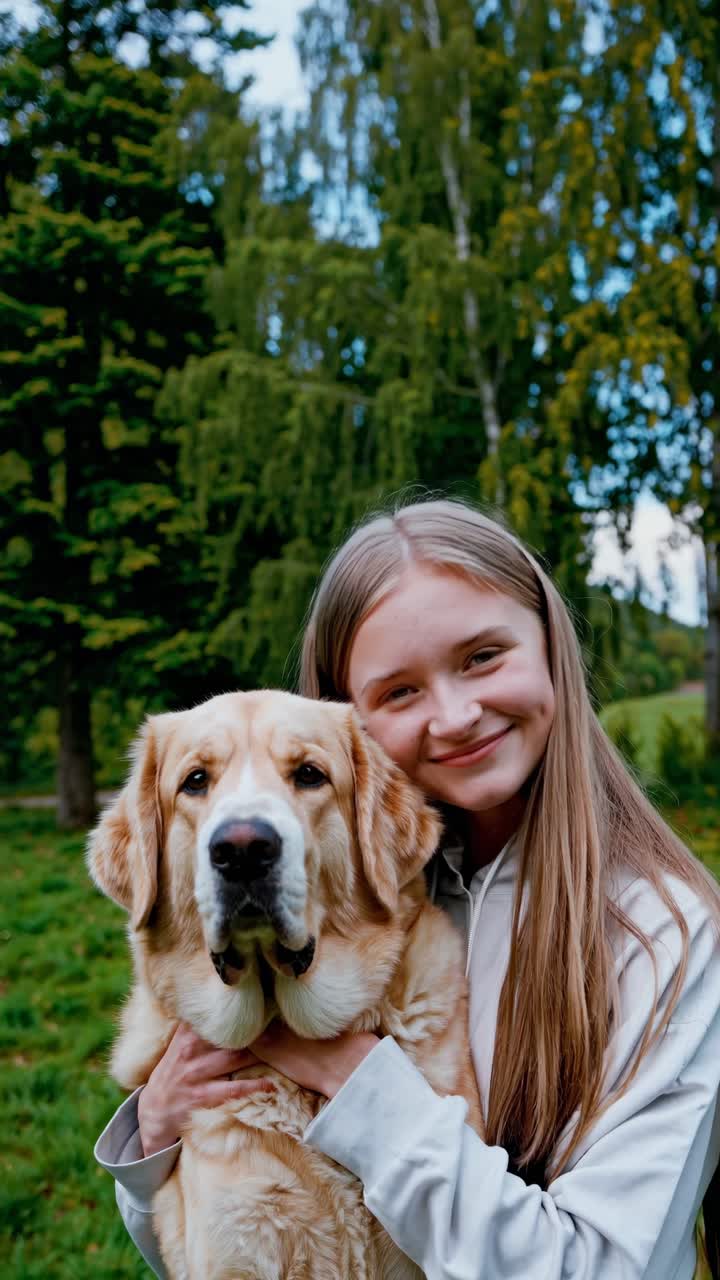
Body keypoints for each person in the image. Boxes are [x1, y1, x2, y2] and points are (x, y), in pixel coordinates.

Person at [95, 497, 720, 1279]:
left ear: (551, 646)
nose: (456, 716)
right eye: (399, 692)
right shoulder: (357, 899)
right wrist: (154, 1134)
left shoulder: (662, 934)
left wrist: (351, 1080)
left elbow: (608, 1267)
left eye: (484, 656)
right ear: (350, 720)